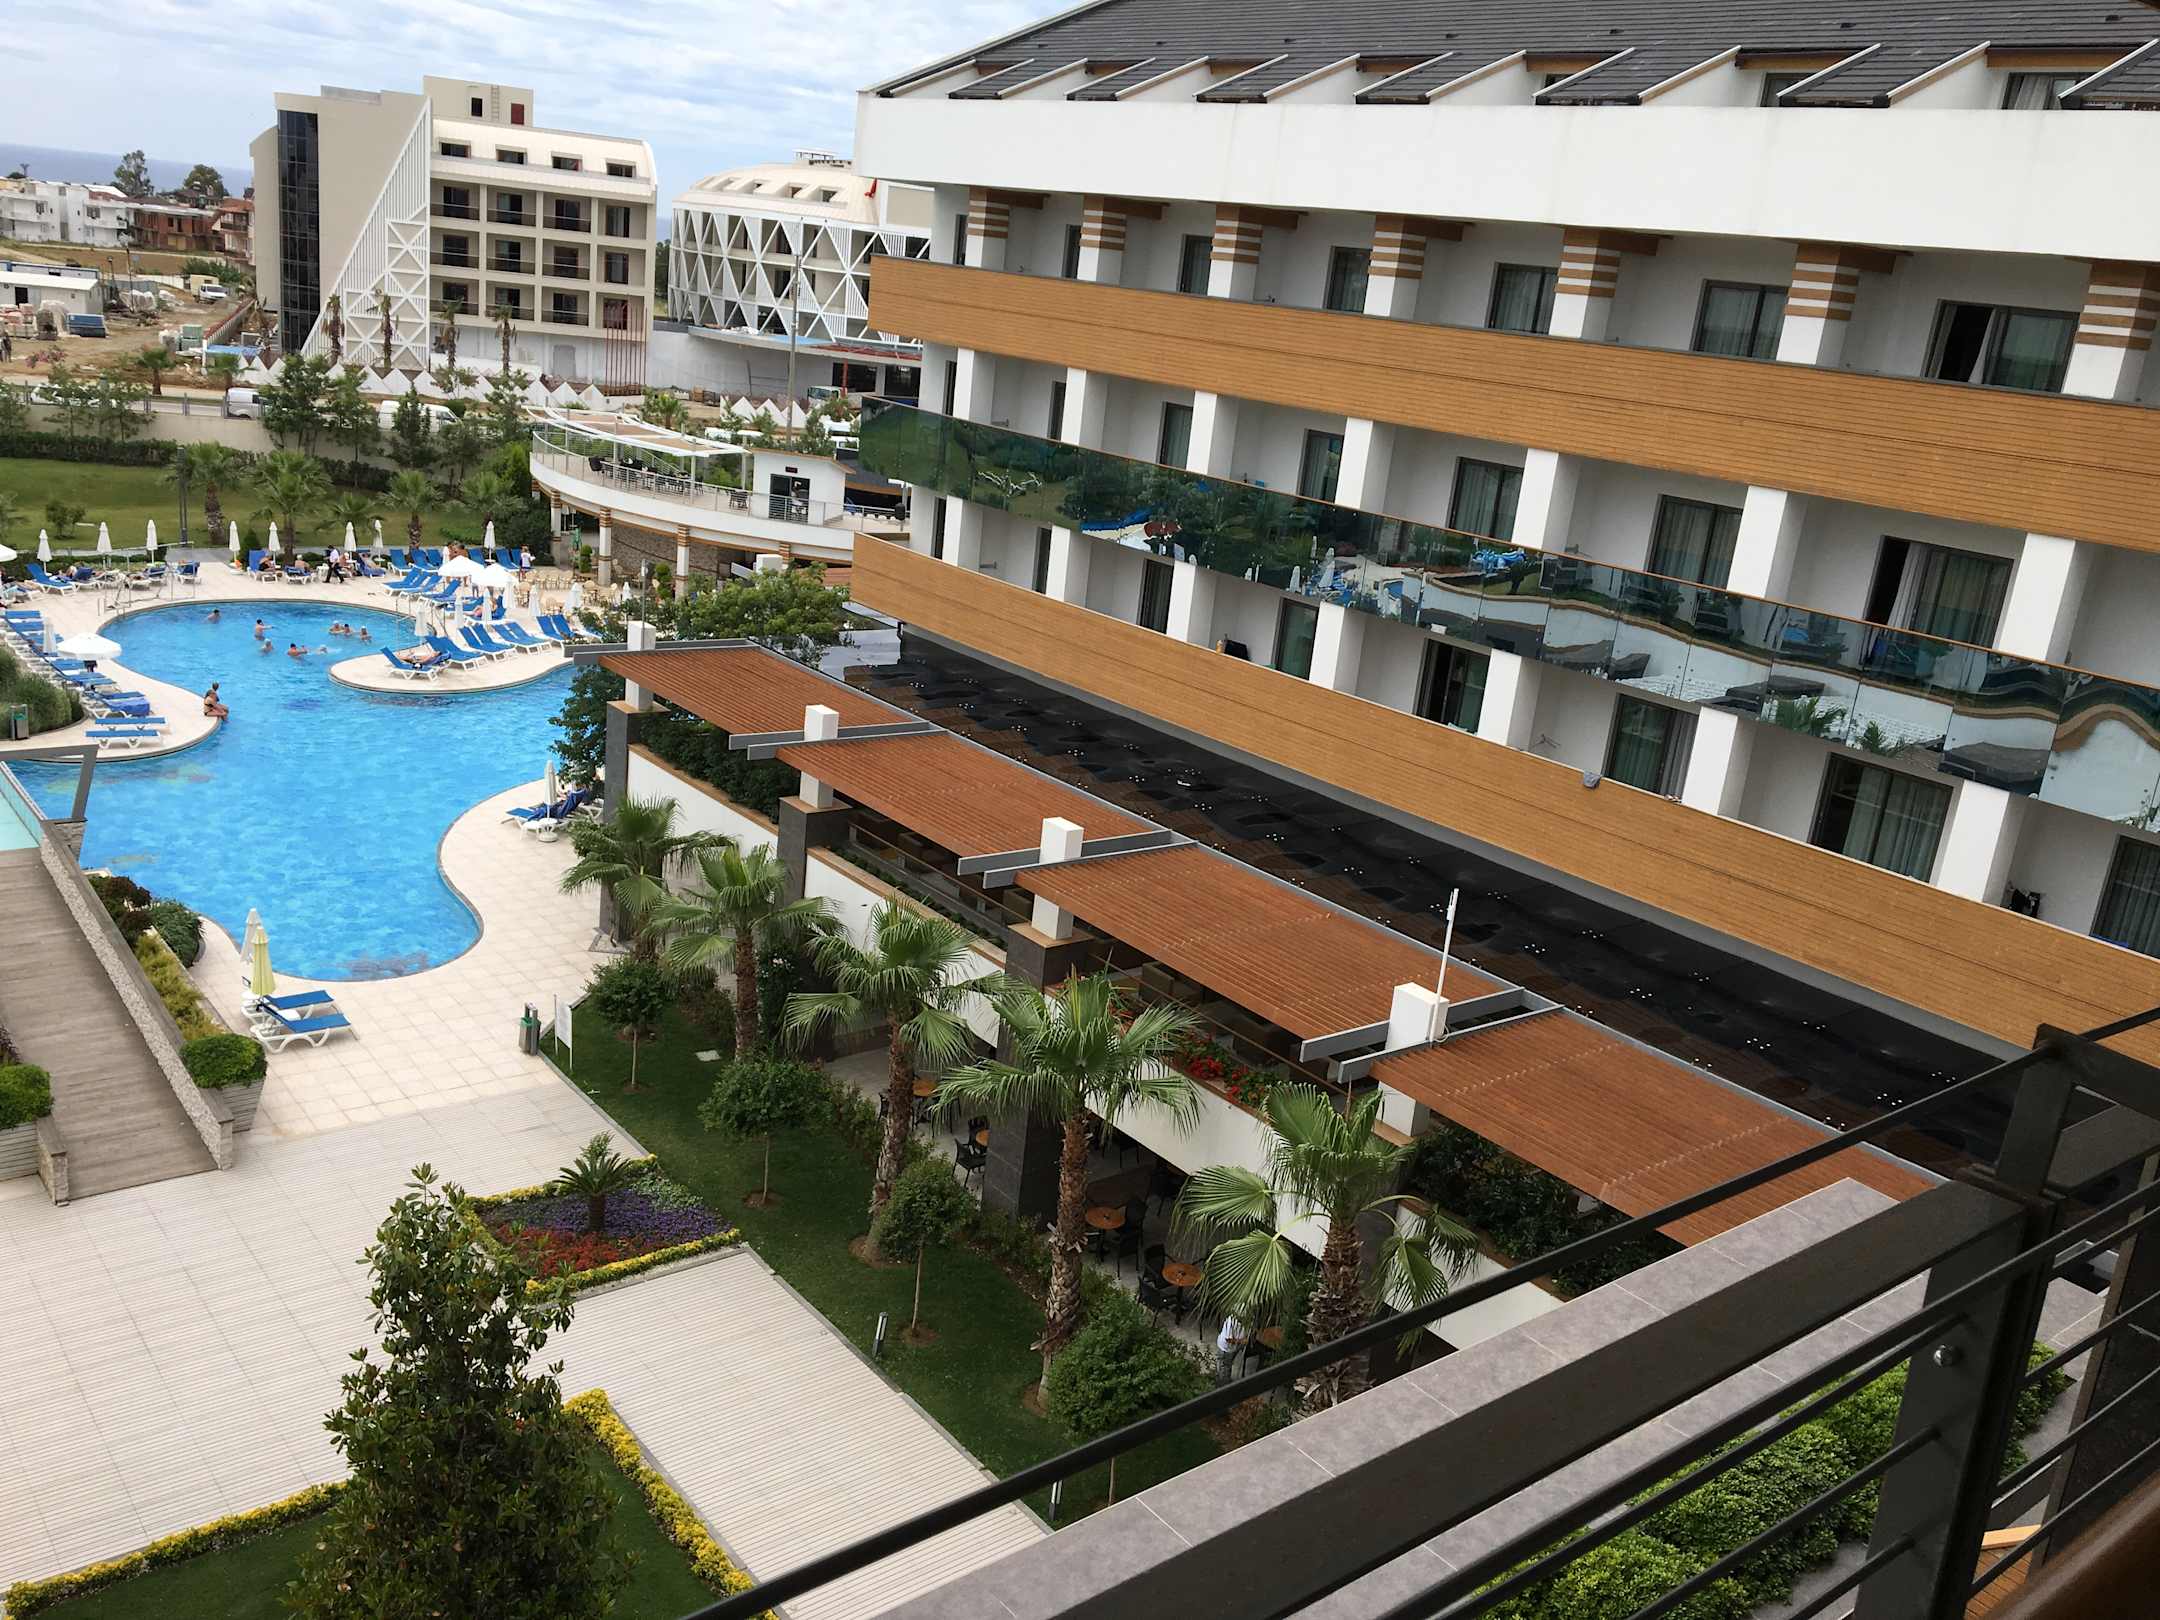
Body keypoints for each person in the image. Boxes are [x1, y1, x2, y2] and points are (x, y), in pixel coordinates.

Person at [1215, 1315, 1248, 1386]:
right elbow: (1228, 1339)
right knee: (1224, 1367)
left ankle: (1225, 1381)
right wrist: (1241, 1341)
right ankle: (1223, 1385)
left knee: (1228, 1365)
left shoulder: (1247, 1320)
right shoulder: (1231, 1321)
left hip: (1234, 1347)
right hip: (1226, 1348)